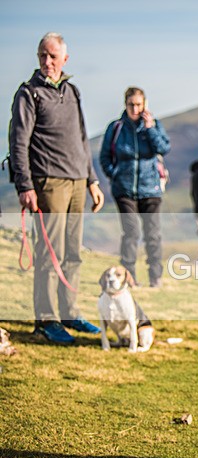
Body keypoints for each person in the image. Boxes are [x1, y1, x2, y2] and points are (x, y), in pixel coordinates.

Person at [9, 32, 105, 344]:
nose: (47, 62)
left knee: (74, 252)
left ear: (65, 59)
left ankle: (70, 312)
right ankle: (46, 320)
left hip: (78, 181)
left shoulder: (73, 91)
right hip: (48, 183)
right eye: (42, 56)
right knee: (51, 253)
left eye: (52, 56)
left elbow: (82, 138)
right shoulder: (29, 94)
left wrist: (92, 180)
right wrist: (24, 185)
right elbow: (19, 142)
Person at [99, 87, 171, 288]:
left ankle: (155, 277)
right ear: (125, 105)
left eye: (139, 104)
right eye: (131, 104)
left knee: (153, 234)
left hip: (151, 189)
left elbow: (164, 148)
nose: (135, 109)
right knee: (131, 233)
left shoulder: (154, 126)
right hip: (125, 190)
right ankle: (128, 277)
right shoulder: (116, 128)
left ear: (145, 104)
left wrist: (150, 129)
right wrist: (114, 174)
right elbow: (105, 156)